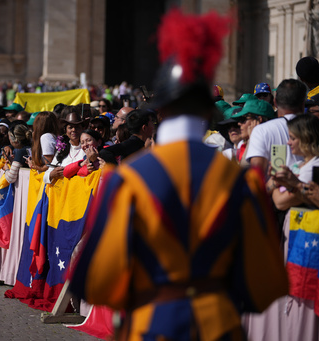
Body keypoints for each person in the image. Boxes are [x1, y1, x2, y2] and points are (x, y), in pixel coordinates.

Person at [69, 9, 288, 341]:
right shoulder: (242, 182)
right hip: (220, 327)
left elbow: (93, 282)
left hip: (151, 326)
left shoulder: (127, 181)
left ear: (162, 111)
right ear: (208, 112)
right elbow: (266, 285)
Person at [268, 114, 319, 211]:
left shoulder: (318, 165)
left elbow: (281, 203)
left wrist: (278, 185)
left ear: (306, 138)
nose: (288, 142)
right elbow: (265, 189)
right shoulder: (299, 164)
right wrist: (278, 181)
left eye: (293, 138)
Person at [245, 79, 307, 174]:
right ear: (303, 105)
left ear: (274, 102)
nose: (262, 98)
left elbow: (256, 176)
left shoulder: (260, 131)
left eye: (264, 95)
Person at [43, 112, 86, 184]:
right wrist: (52, 174)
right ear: (65, 131)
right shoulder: (62, 149)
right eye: (70, 127)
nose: (74, 130)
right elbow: (46, 176)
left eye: (77, 127)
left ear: (82, 129)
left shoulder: (87, 149)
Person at [232, 99, 275, 166]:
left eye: (243, 119)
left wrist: (253, 138)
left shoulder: (270, 140)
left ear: (259, 120)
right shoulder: (243, 144)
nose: (239, 123)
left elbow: (245, 167)